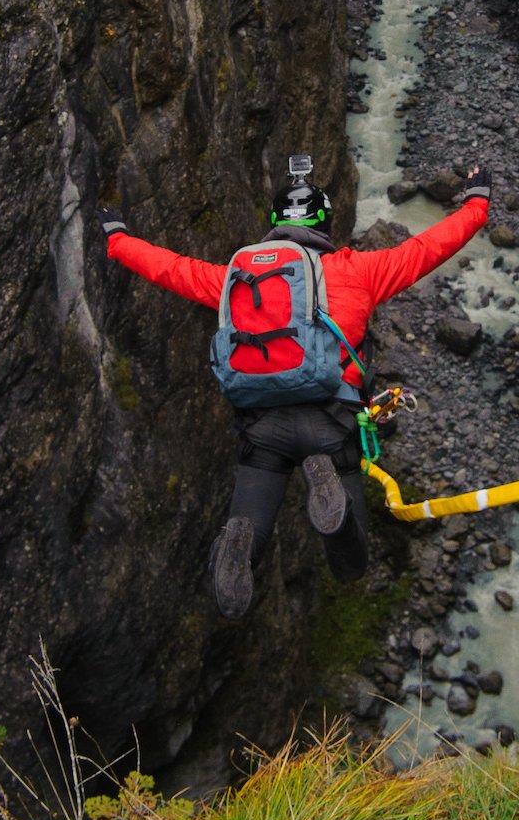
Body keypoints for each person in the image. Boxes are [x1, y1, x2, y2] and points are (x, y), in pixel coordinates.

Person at [103, 163, 492, 620]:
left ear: (276, 226)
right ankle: (337, 511)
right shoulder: (361, 270)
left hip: (261, 426)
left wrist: (117, 238)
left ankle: (237, 547)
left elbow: (171, 268)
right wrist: (477, 203)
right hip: (330, 424)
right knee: (352, 563)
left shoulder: (236, 278)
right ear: (325, 224)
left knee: (250, 521)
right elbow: (427, 248)